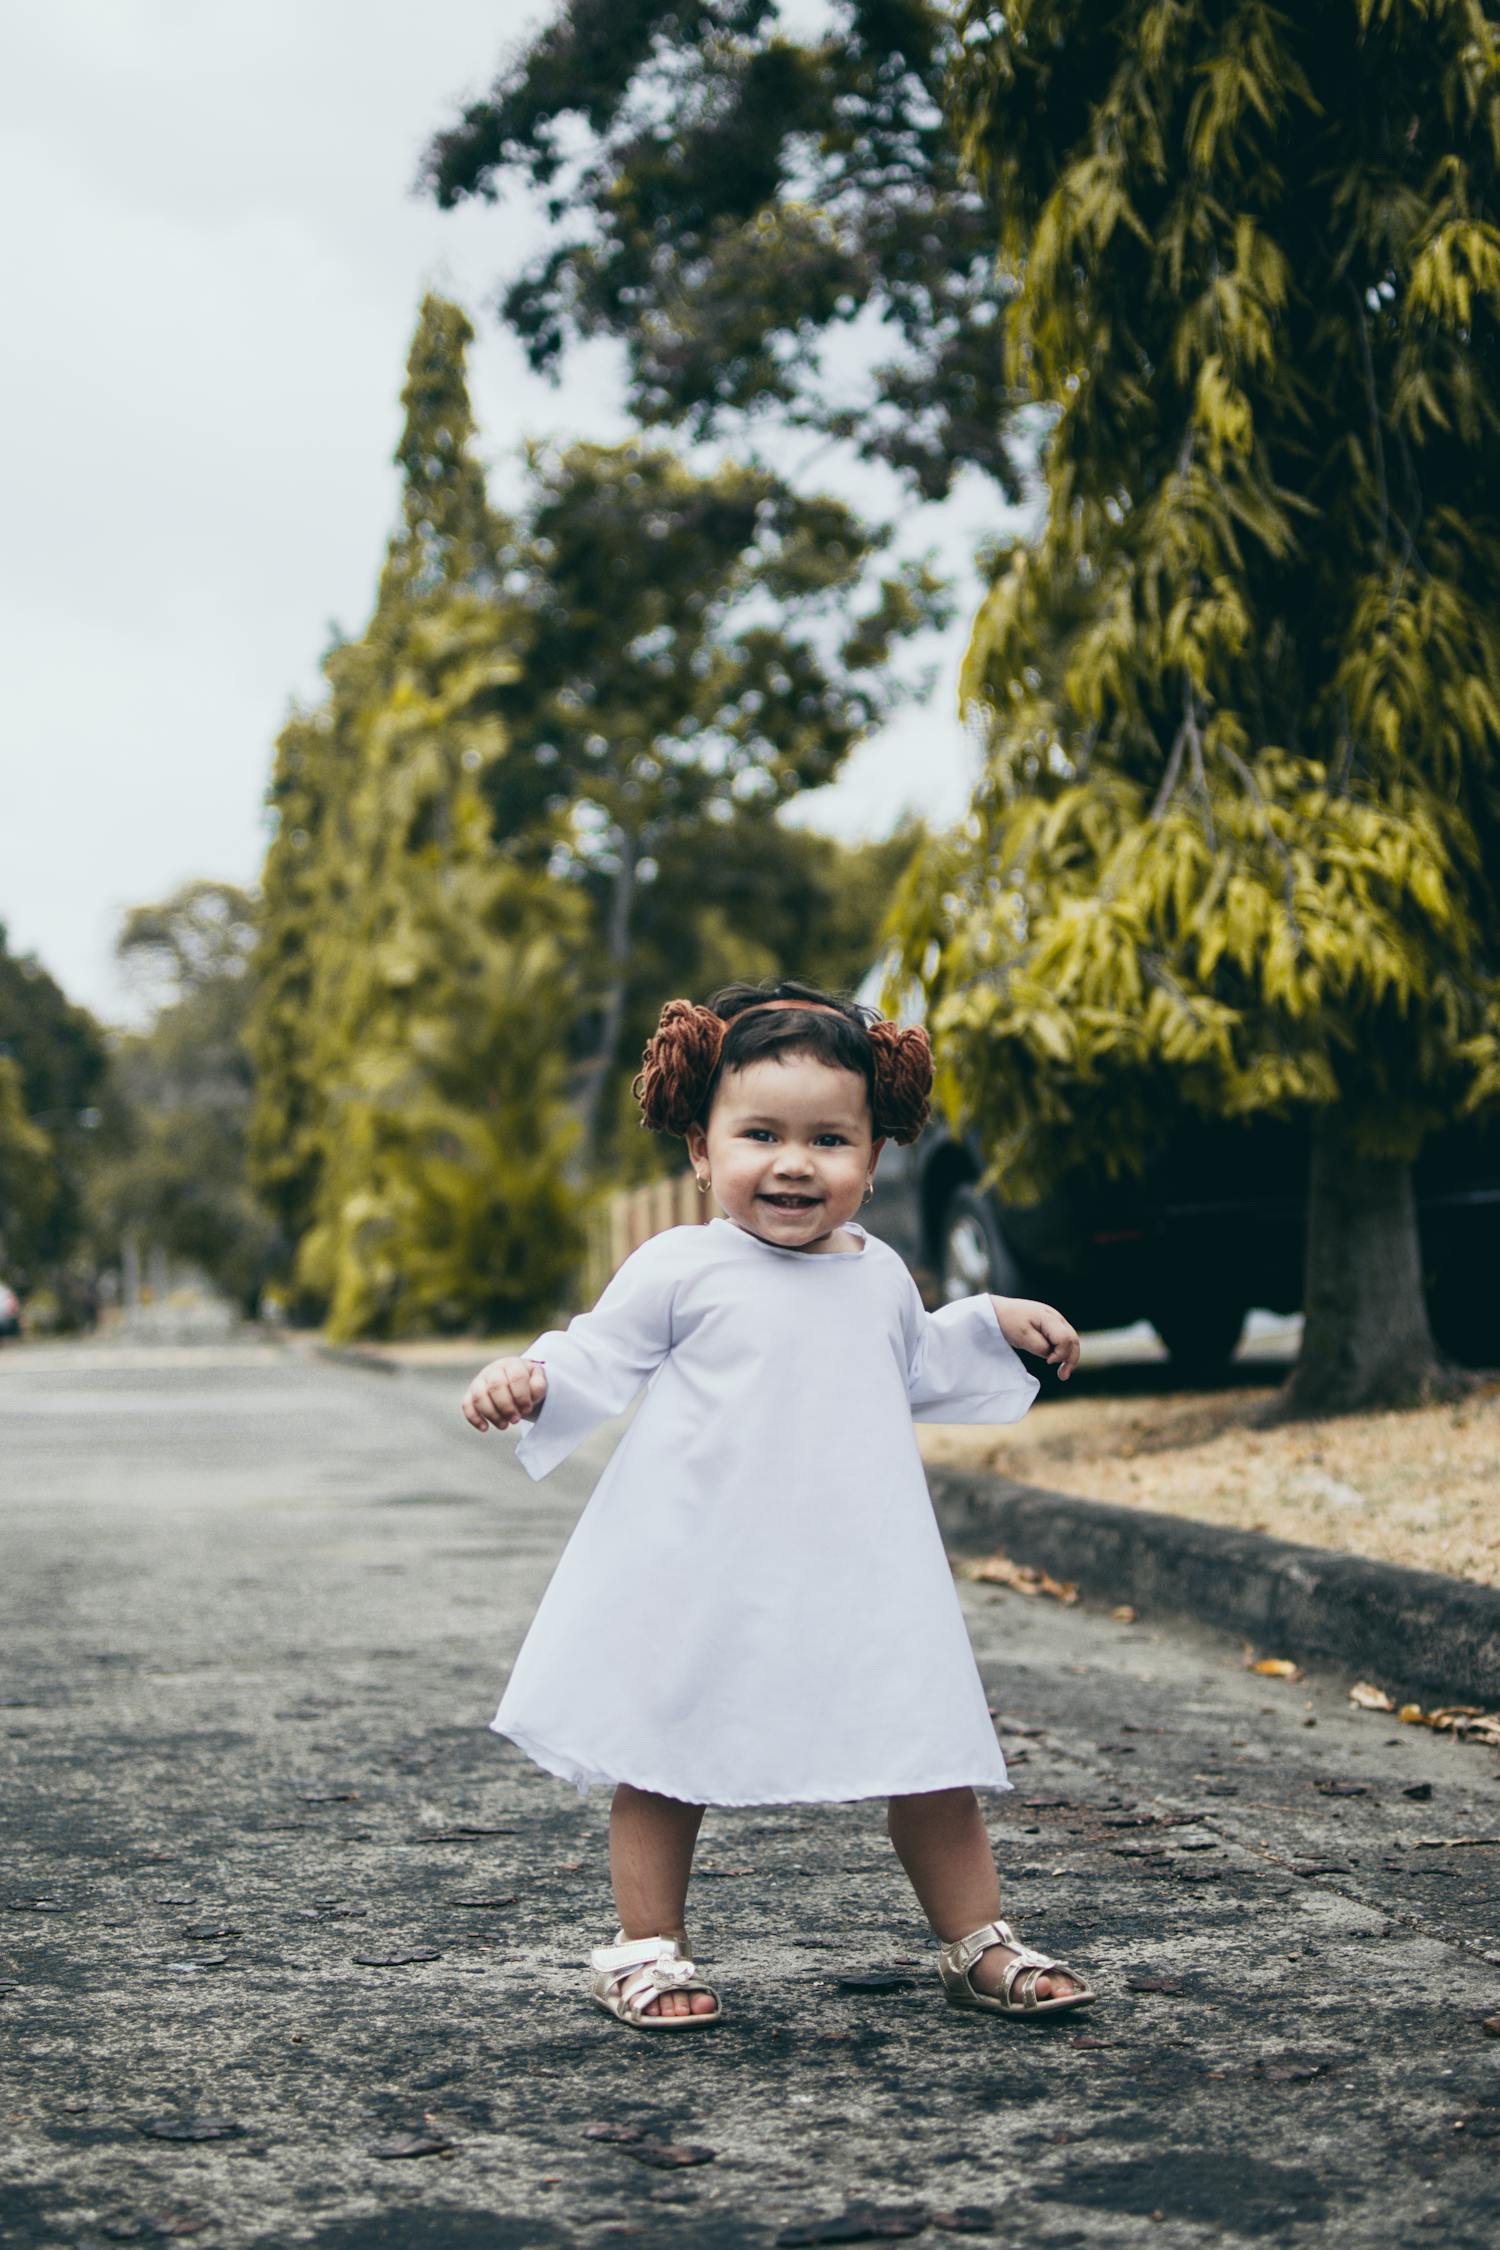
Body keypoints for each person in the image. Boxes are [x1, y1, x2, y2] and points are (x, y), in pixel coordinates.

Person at [461, 981, 1096, 2033]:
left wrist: (995, 1320)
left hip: (860, 1566)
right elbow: (596, 1353)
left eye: (829, 1139)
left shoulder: (880, 1272)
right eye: (760, 1133)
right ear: (702, 1150)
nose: (794, 1162)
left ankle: (978, 1941)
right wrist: (529, 1380)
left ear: (872, 1158)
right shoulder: (681, 1265)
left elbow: (921, 1360)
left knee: (926, 1745)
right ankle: (647, 1948)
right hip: (706, 1561)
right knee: (665, 1751)